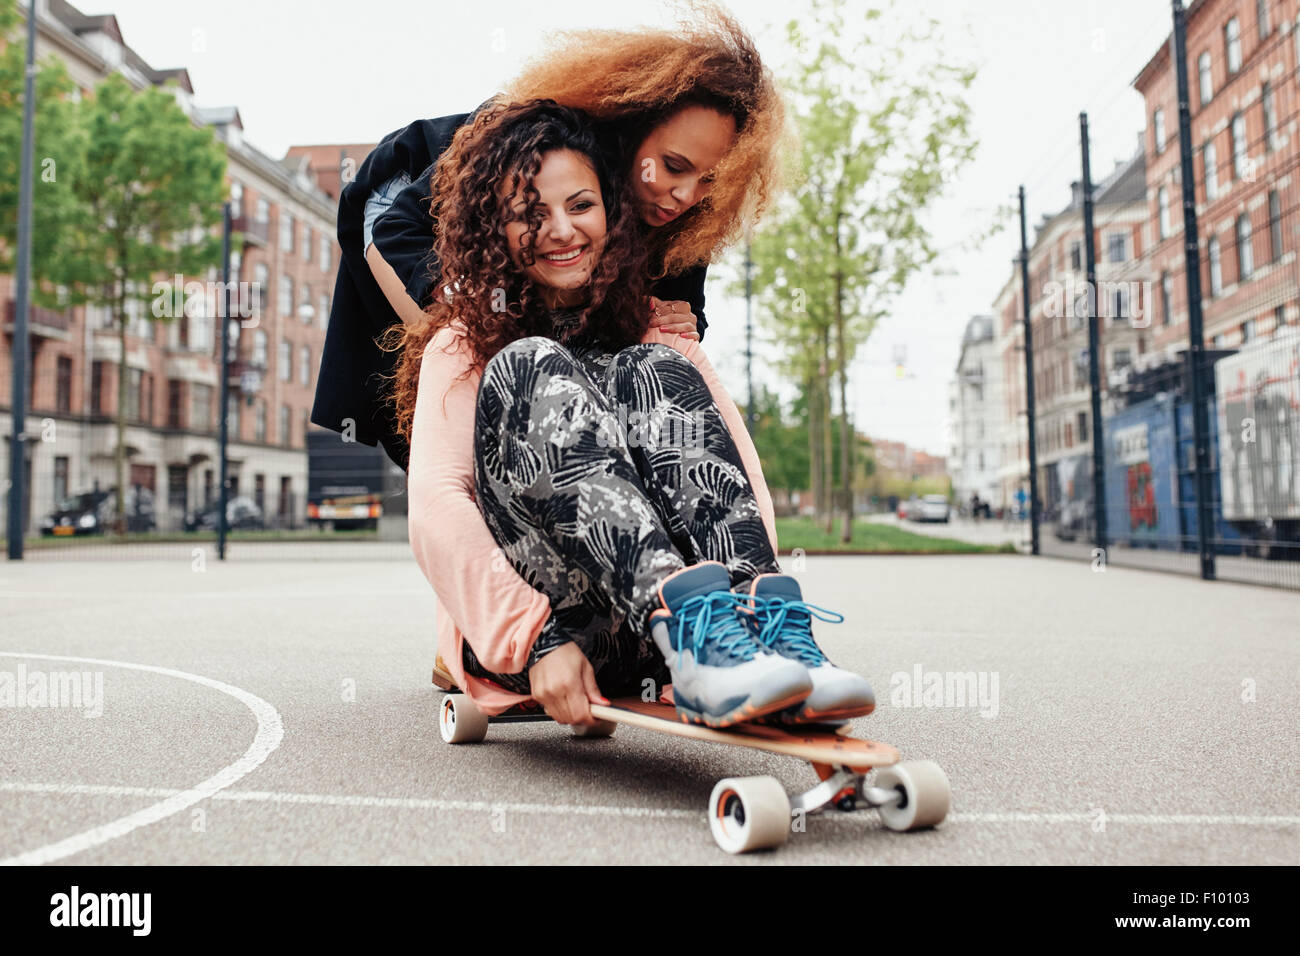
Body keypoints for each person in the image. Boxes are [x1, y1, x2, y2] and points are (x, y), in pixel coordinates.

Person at [387, 100, 875, 730]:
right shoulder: (463, 344)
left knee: (656, 366)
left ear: (611, 213)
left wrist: (756, 582)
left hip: (665, 649)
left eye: (580, 205)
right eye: (530, 214)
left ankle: (761, 635)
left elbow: (741, 480)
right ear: (494, 230)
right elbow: (435, 504)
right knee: (532, 362)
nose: (561, 230)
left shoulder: (659, 329)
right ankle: (690, 633)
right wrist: (532, 637)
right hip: (550, 632)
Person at [312, 2, 785, 472]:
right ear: (632, 127)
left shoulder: (685, 211)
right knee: (473, 336)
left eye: (710, 181)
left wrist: (682, 320)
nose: (684, 194)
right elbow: (399, 229)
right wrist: (464, 298)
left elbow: (682, 311)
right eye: (674, 167)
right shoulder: (555, 141)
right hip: (406, 203)